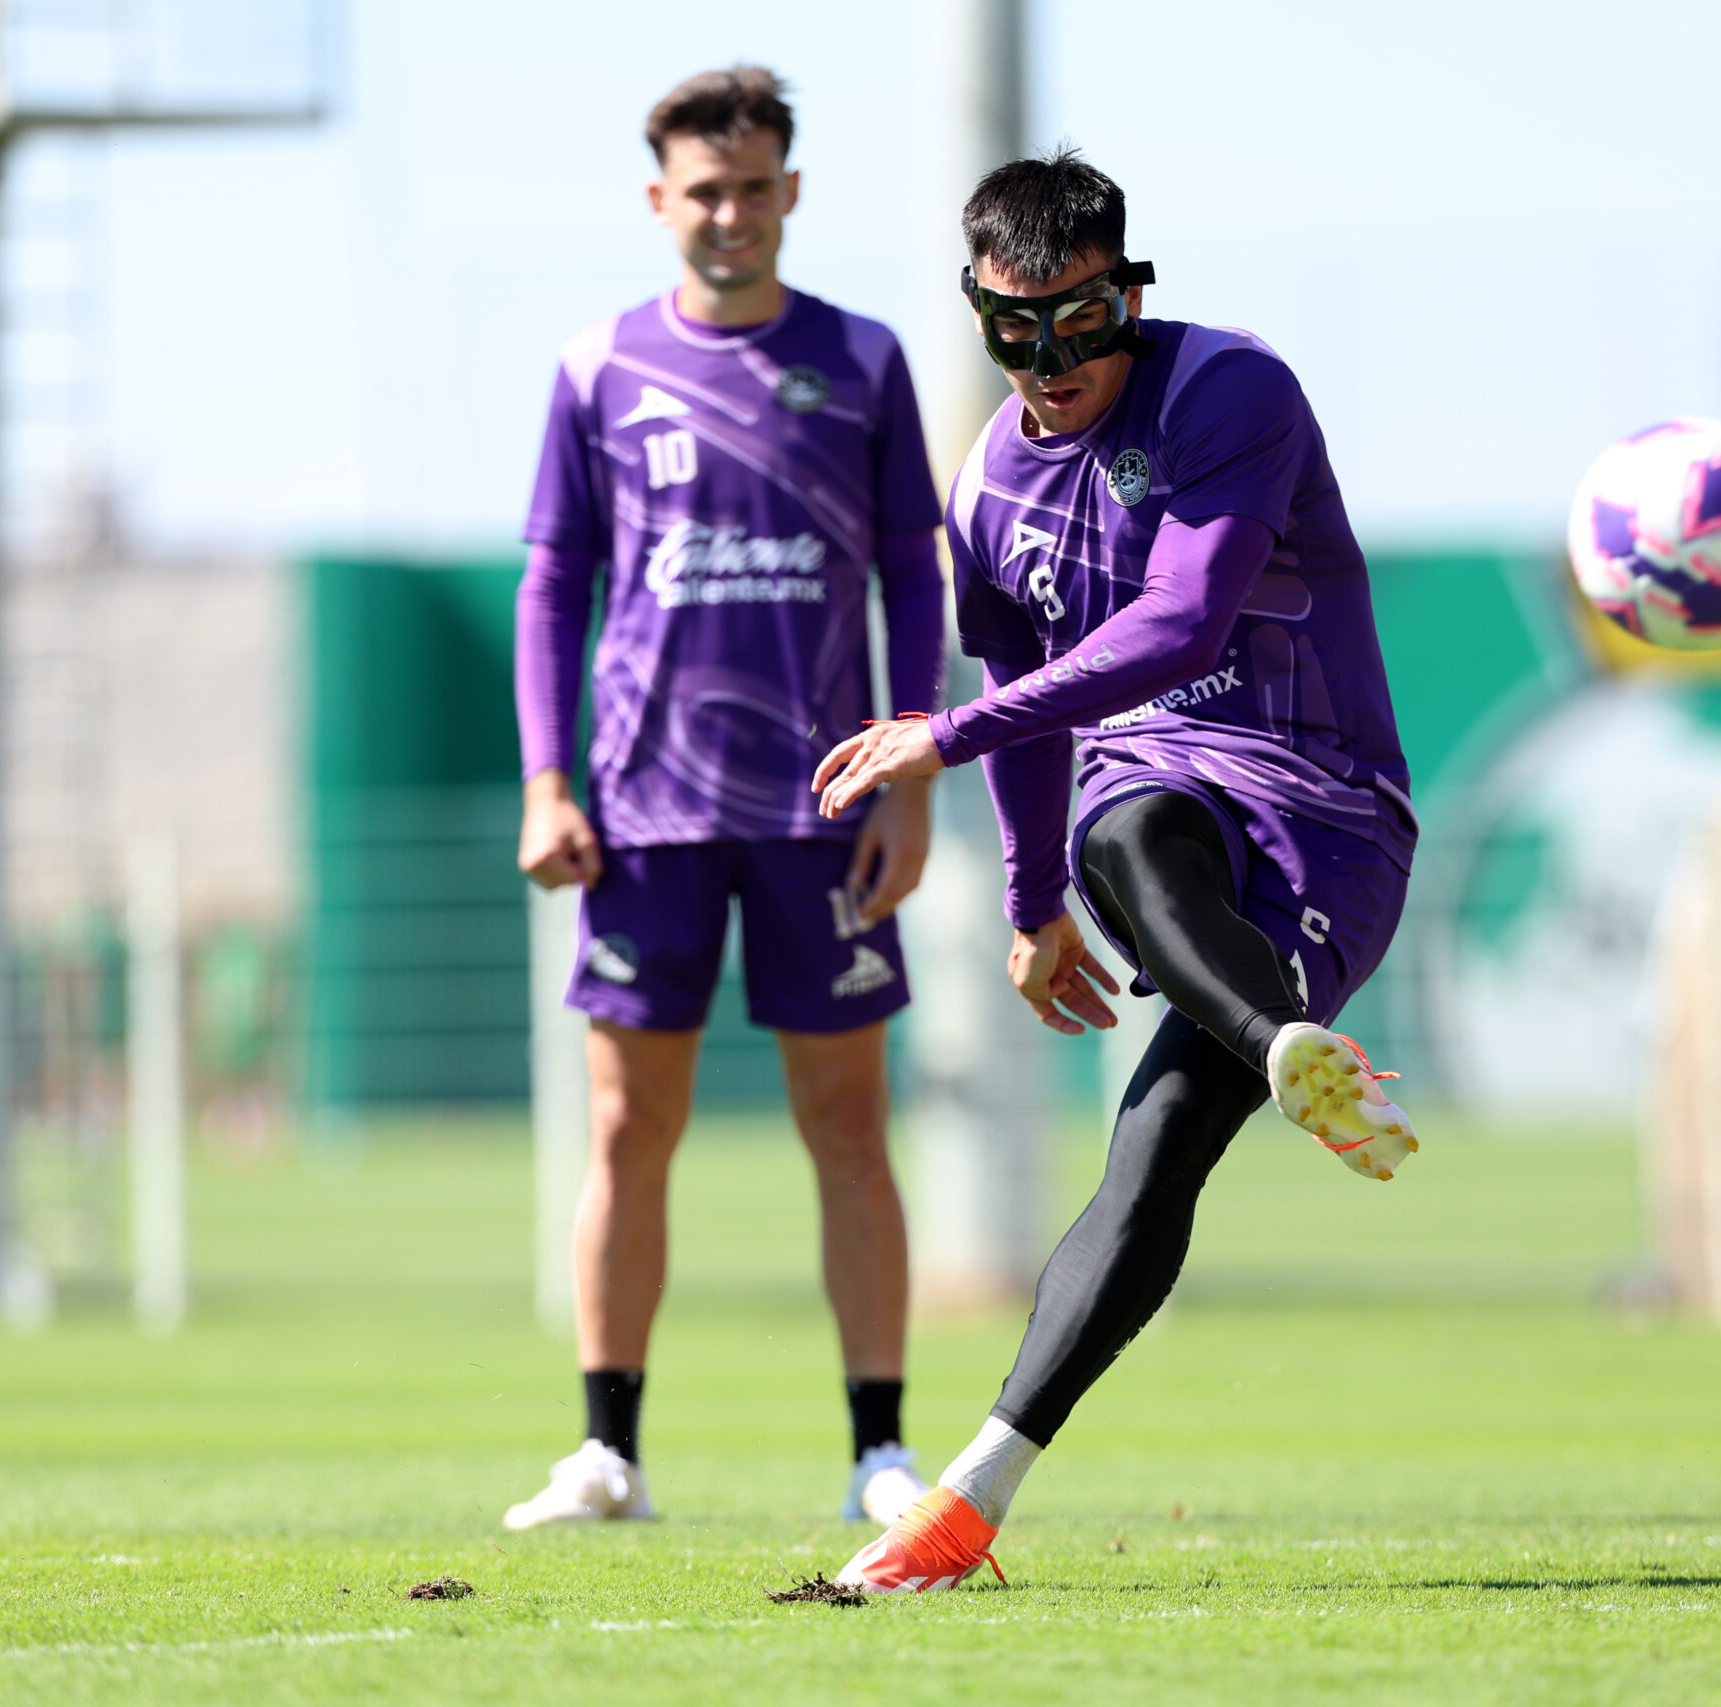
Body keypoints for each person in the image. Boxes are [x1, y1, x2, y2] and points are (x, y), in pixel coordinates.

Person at [811, 148, 1418, 1593]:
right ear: (983, 316)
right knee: (1121, 826)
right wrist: (1028, 911)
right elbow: (1040, 707)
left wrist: (939, 738)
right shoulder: (991, 490)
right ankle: (963, 1506)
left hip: (1328, 810)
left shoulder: (1229, 393)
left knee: (1157, 1147)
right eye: (1015, 330)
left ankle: (1273, 1047)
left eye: (1078, 322)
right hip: (1162, 801)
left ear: (1125, 295)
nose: (1050, 358)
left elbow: (1182, 628)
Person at [505, 65, 944, 1531]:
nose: (732, 214)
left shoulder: (866, 362)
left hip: (823, 807)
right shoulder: (597, 369)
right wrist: (547, 781)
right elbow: (554, 582)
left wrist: (913, 774)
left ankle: (879, 1451)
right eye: (706, 190)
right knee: (629, 1127)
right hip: (645, 811)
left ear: (792, 194)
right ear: (659, 201)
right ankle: (606, 1452)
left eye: (757, 187)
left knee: (848, 1122)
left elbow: (911, 576)